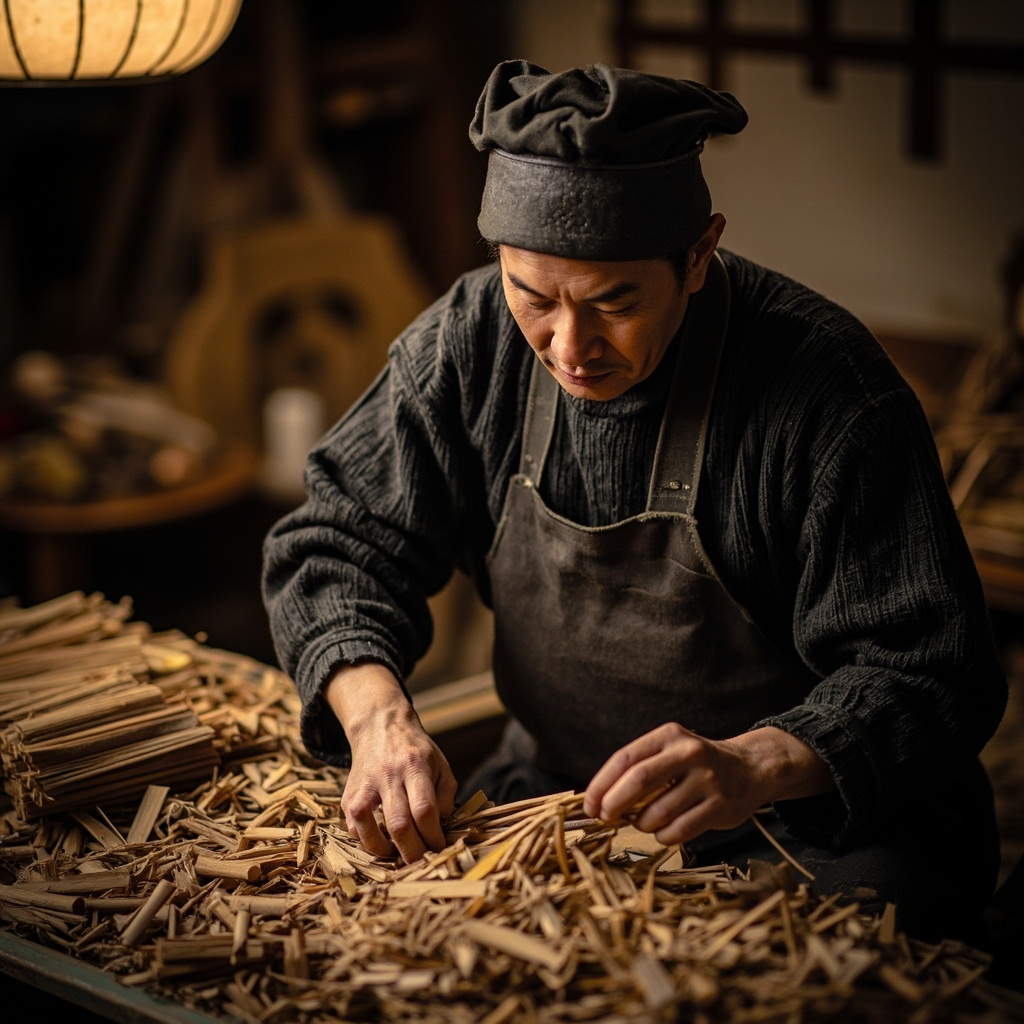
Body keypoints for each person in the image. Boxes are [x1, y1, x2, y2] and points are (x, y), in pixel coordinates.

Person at [262, 60, 1007, 945]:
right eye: (534, 296)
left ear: (698, 257)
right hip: (563, 802)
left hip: (814, 831)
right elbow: (333, 545)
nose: (570, 348)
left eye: (615, 302)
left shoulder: (827, 392)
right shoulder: (468, 342)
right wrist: (381, 720)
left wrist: (756, 762)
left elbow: (934, 671)